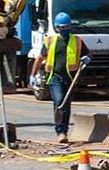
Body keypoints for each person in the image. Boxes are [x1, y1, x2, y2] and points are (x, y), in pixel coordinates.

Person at [30, 12, 90, 143]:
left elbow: (87, 54)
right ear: (57, 27)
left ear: (70, 26)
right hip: (54, 77)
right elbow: (40, 58)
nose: (64, 30)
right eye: (62, 27)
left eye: (67, 27)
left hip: (70, 78)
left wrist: (86, 59)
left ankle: (64, 132)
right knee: (59, 102)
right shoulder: (50, 41)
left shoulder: (77, 40)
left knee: (66, 105)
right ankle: (60, 131)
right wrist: (33, 75)